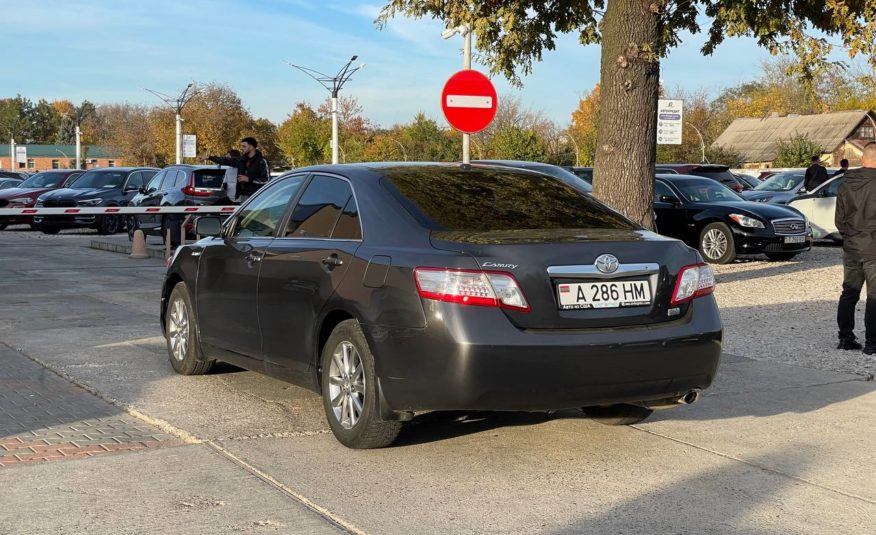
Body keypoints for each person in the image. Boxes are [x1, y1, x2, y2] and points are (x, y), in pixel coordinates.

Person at [835, 142, 876, 355]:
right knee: (874, 297)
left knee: (849, 293)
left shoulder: (846, 182)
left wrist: (849, 236)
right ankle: (872, 343)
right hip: (873, 248)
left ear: (863, 159)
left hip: (851, 246)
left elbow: (839, 220)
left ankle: (845, 338)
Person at [205, 137, 270, 201]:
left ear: (251, 146)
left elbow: (266, 180)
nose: (242, 148)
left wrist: (249, 179)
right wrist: (209, 158)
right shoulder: (241, 160)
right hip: (244, 196)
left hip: (258, 196)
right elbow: (226, 160)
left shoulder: (262, 161)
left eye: (244, 146)